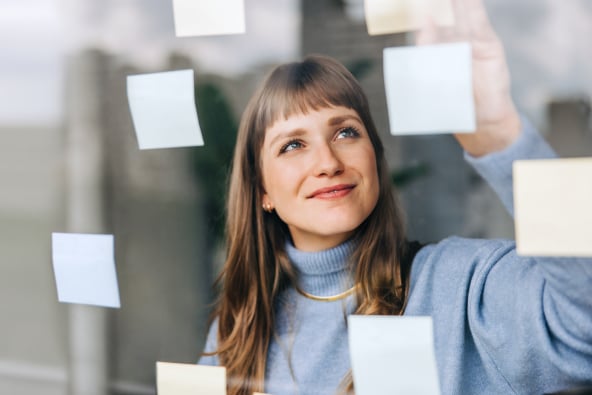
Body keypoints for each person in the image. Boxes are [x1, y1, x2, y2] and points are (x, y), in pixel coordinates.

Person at [198, 0, 592, 394]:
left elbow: (583, 327)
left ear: (375, 157)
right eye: (293, 145)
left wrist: (500, 136)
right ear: (263, 191)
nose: (327, 162)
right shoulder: (238, 326)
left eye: (346, 132)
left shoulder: (456, 286)